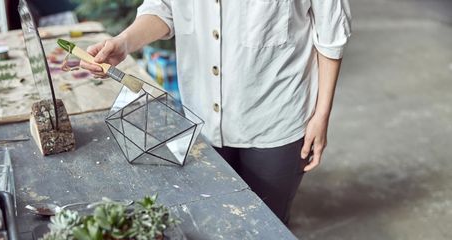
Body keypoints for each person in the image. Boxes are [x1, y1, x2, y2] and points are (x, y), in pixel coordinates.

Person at [80, 1, 352, 225]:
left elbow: (331, 35)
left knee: (268, 227)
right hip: (202, 119)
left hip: (276, 120)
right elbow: (164, 7)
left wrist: (321, 115)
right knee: (213, 223)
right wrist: (124, 43)